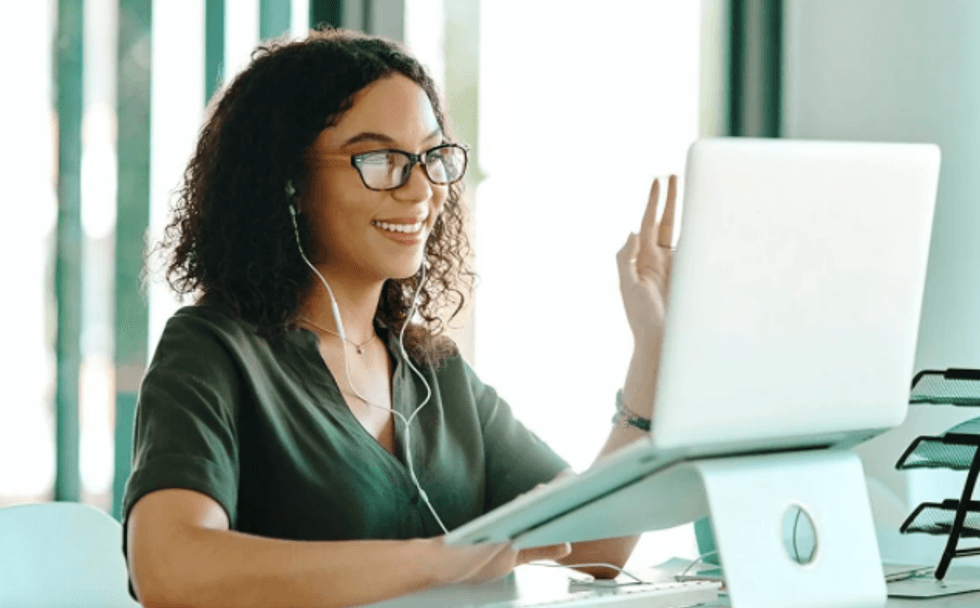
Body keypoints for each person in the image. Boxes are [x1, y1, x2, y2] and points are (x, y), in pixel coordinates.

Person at [123, 27, 677, 608]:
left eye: (432, 157)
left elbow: (593, 546)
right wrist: (440, 559)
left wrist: (654, 347)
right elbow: (169, 568)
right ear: (288, 183)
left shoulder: (434, 371)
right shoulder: (213, 350)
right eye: (381, 160)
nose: (420, 190)